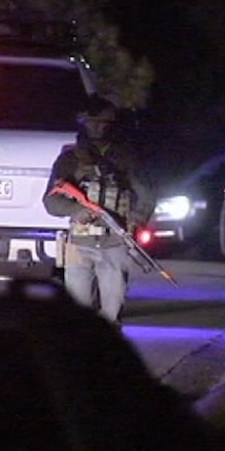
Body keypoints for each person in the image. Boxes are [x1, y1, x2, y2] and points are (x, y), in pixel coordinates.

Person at [42, 94, 155, 325]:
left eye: (102, 122)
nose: (96, 127)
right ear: (82, 123)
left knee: (112, 312)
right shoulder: (69, 159)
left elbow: (146, 195)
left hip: (115, 241)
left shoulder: (127, 157)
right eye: (91, 121)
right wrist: (75, 211)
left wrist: (136, 218)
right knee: (77, 313)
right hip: (79, 243)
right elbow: (50, 201)